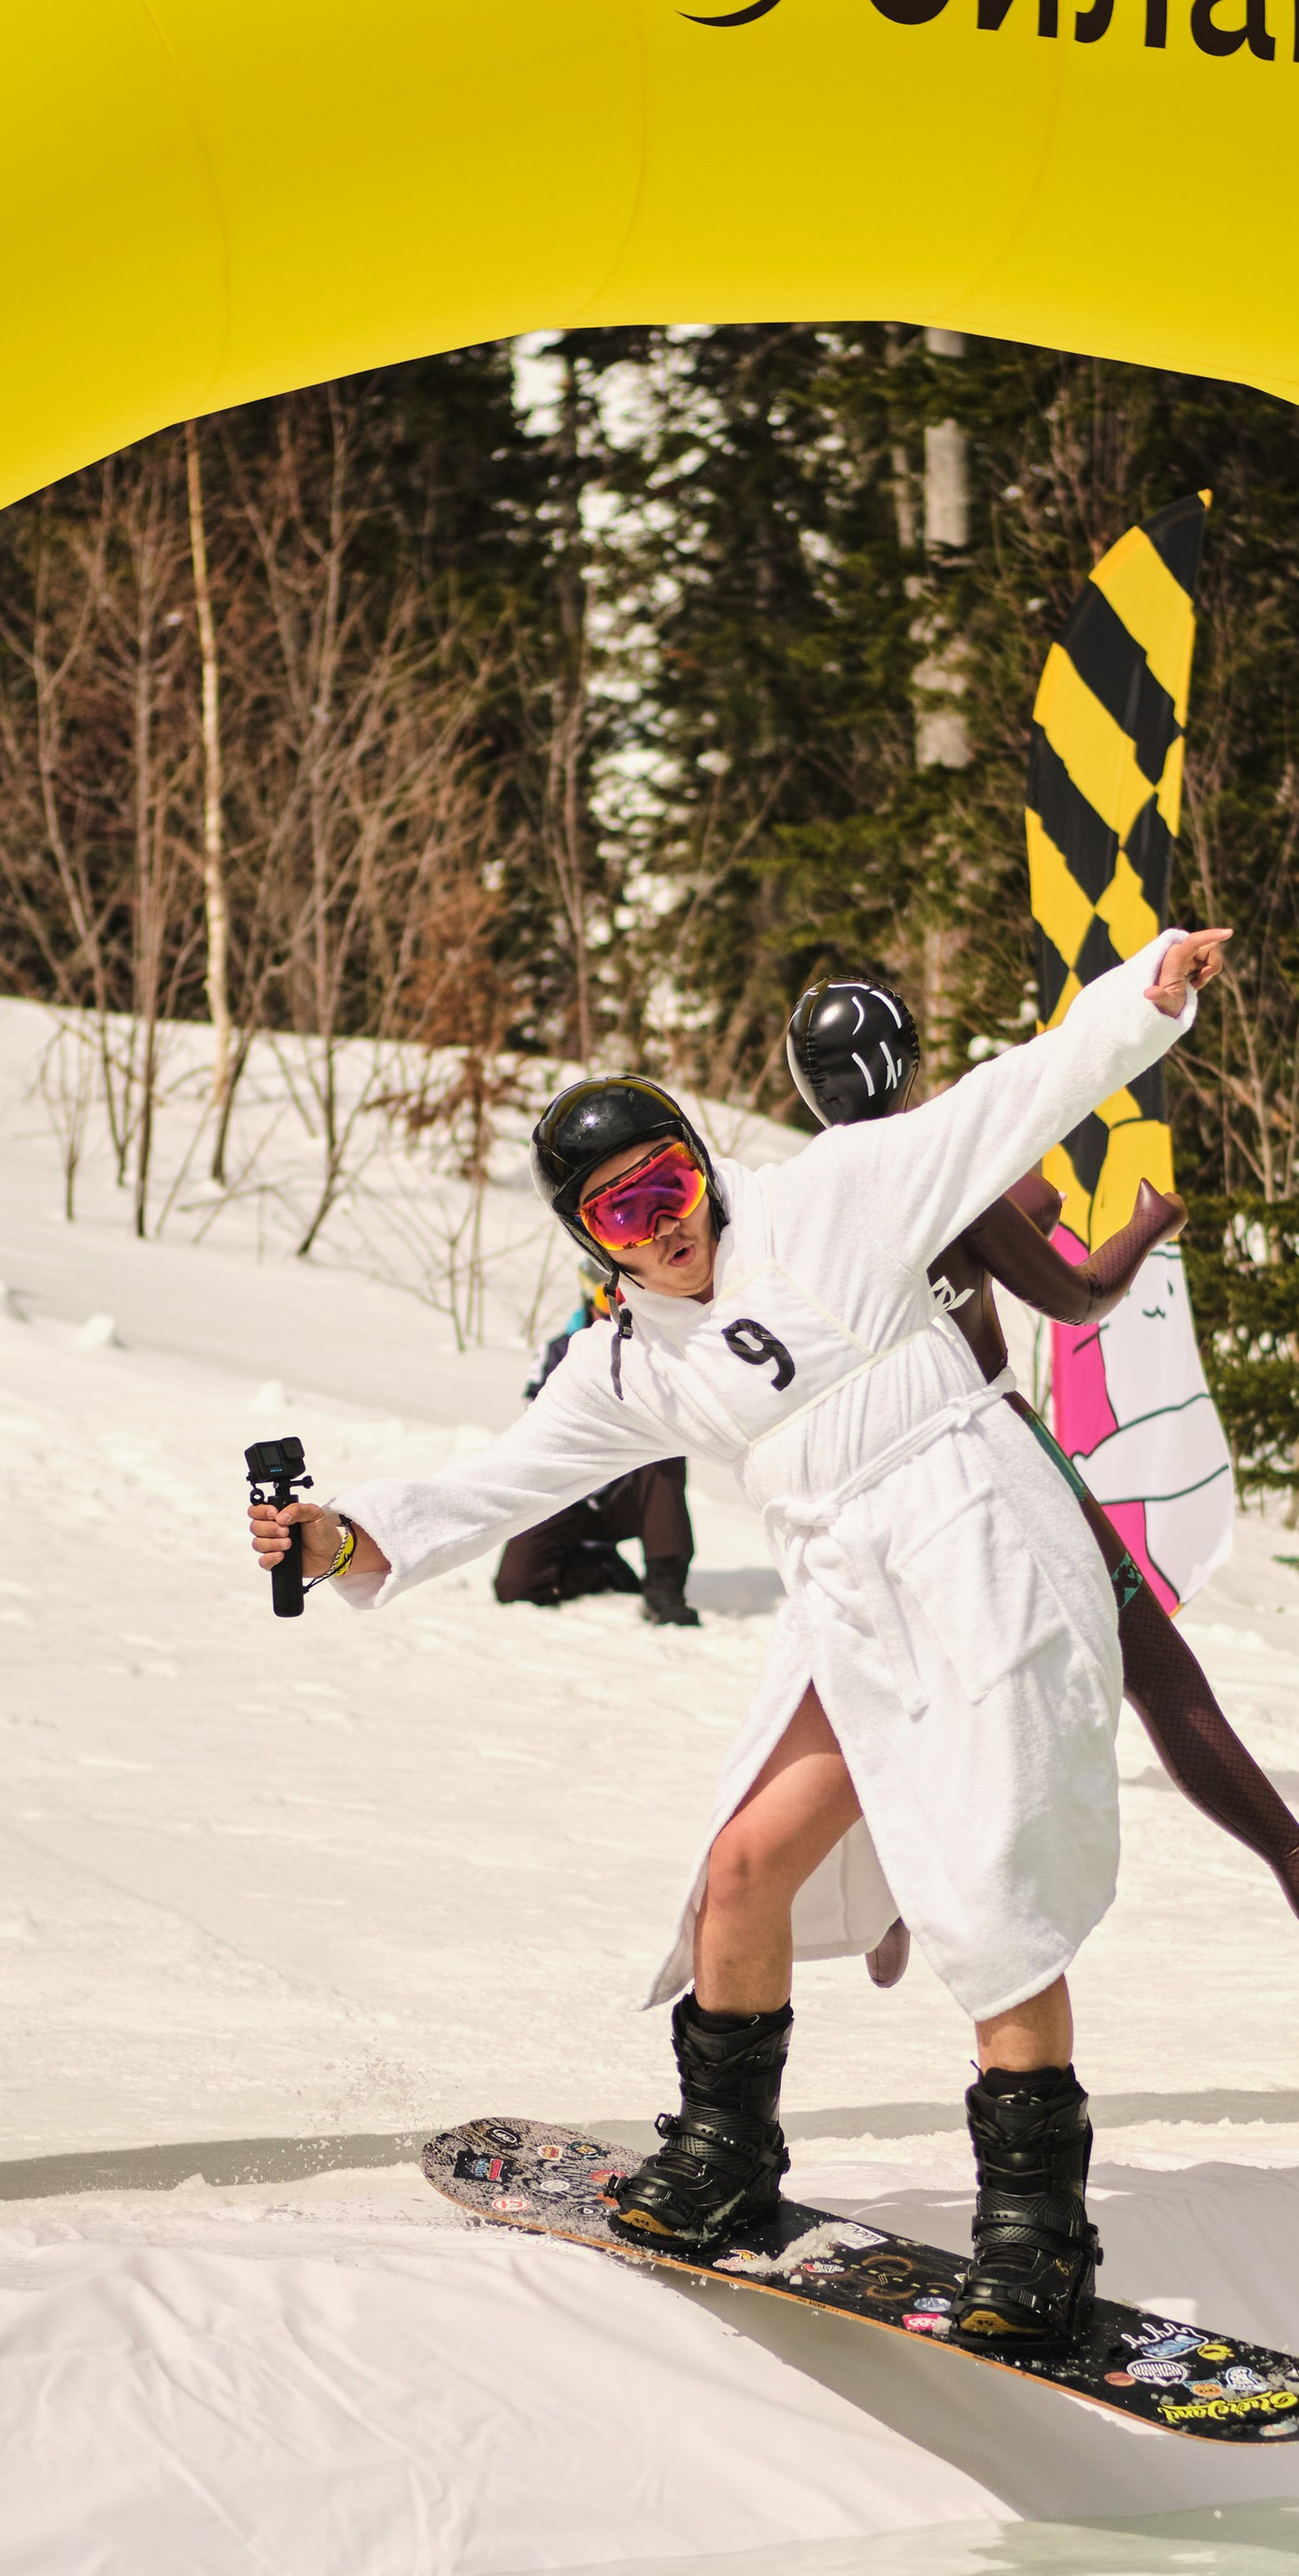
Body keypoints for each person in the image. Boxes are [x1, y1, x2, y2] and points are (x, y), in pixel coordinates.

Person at [247, 928, 1229, 2357]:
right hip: (856, 1595)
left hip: (983, 1551)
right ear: (591, 1241)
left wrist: (1142, 996)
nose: (659, 1228)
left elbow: (1011, 1096)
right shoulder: (630, 1360)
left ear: (703, 1168)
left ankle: (1036, 2234)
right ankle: (725, 2153)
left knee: (989, 1888)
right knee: (743, 1867)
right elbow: (495, 1486)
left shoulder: (835, 1197)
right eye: (619, 1215)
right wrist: (342, 1538)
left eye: (667, 1186)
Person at [786, 973, 1299, 1994]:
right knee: (1158, 1672)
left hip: (880, 1487)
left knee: (901, 1690)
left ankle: (891, 1895)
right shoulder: (943, 1177)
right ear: (905, 1065)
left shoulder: (802, 1211)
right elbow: (1076, 1298)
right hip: (999, 1457)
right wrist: (1150, 1222)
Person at [493, 1278, 697, 1624]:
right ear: (590, 1295)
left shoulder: (659, 1349)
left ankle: (665, 1586)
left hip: (629, 1493)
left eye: (629, 1297)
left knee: (666, 1455)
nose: (617, 1307)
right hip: (566, 1493)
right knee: (514, 1586)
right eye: (609, 1297)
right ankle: (599, 1567)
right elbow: (536, 1423)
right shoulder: (559, 1350)